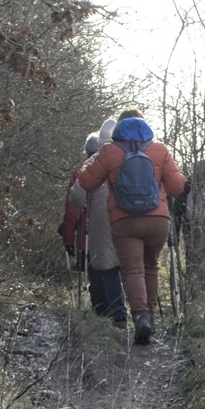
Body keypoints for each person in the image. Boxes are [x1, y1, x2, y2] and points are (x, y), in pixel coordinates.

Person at [76, 109, 187, 344]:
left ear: (118, 128)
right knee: (151, 267)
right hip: (158, 220)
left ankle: (141, 317)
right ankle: (151, 317)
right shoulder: (160, 150)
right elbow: (177, 187)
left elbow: (87, 182)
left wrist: (88, 165)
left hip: (124, 220)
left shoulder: (108, 151)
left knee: (133, 270)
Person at [66, 132, 126, 325]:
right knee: (123, 267)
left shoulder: (84, 169)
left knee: (101, 270)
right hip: (125, 223)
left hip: (93, 230)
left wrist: (68, 237)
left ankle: (106, 313)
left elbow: (73, 208)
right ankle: (133, 310)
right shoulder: (125, 162)